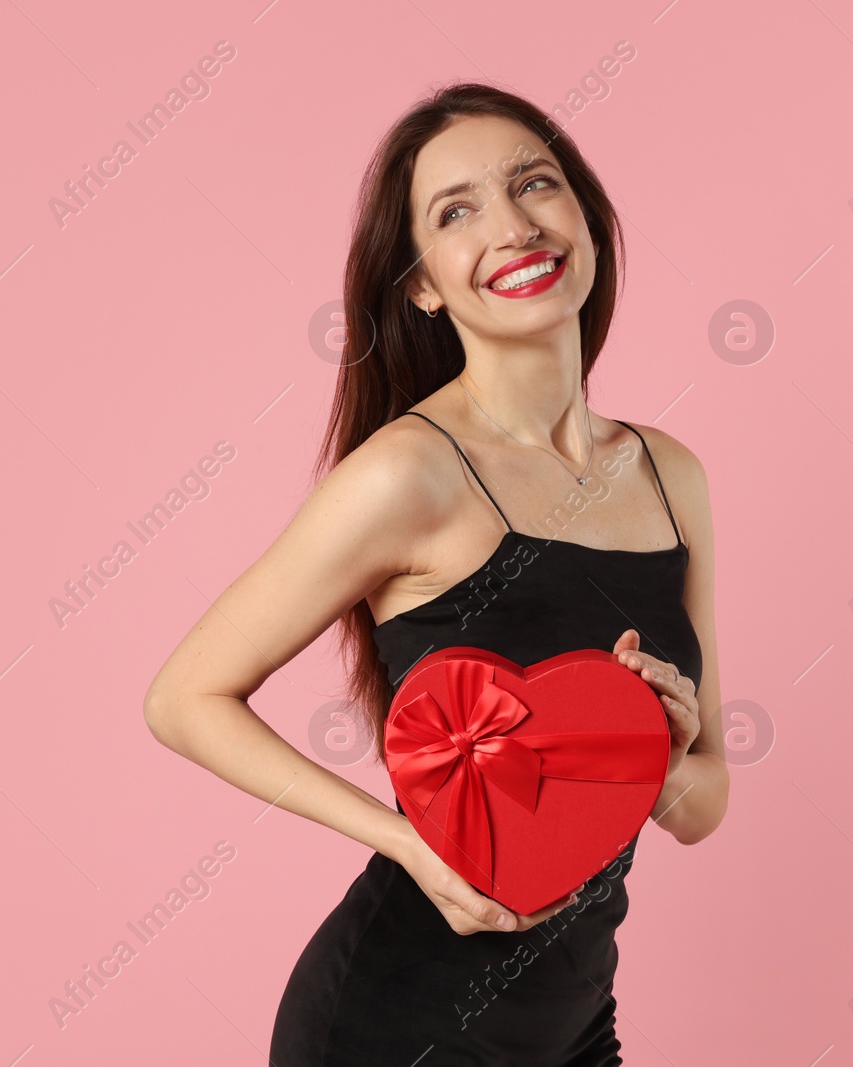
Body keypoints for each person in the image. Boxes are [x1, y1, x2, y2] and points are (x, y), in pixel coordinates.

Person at [142, 82, 729, 1066]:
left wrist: (658, 752)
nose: (510, 225)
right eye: (457, 210)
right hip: (392, 1027)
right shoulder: (407, 475)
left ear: (582, 215)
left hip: (572, 1027)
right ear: (421, 282)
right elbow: (182, 696)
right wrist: (413, 845)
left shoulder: (670, 474)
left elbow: (703, 807)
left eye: (532, 183)